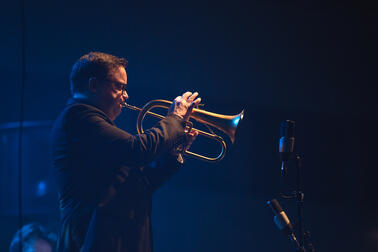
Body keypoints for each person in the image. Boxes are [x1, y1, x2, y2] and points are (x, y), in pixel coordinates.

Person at [51, 51, 201, 252]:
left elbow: (141, 183)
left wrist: (172, 153)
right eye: (119, 87)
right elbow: (139, 150)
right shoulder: (78, 116)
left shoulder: (95, 126)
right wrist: (176, 117)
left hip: (118, 238)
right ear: (93, 85)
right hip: (93, 239)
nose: (126, 95)